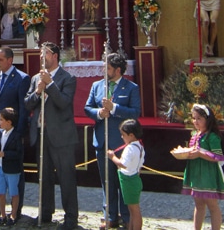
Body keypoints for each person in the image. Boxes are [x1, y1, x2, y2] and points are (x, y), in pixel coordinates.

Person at [24, 42, 79, 230]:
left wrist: (50, 84)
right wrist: (38, 90)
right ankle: (46, 212)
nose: (41, 57)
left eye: (44, 54)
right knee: (44, 177)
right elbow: (27, 104)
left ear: (54, 55)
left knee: (66, 178)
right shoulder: (35, 79)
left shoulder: (68, 78)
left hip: (62, 137)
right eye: (40, 54)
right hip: (41, 134)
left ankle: (71, 218)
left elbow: (64, 103)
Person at [84, 53, 142, 230]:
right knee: (107, 182)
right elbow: (87, 108)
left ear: (117, 70)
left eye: (107, 68)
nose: (104, 70)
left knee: (122, 181)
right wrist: (99, 113)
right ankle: (109, 215)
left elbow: (135, 113)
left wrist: (115, 108)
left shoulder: (131, 87)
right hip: (102, 141)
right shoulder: (97, 85)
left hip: (121, 144)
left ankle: (126, 216)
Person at [0, 47, 29, 220]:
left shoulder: (21, 78)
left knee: (15, 171)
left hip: (12, 133)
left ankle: (16, 209)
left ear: (10, 60)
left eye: (0, 59)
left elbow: (23, 108)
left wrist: (18, 133)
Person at [180, 103, 224, 230]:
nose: (195, 121)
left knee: (212, 205)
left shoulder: (212, 136)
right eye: (194, 118)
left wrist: (200, 154)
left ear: (208, 119)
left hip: (208, 174)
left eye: (199, 118)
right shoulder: (195, 135)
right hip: (196, 173)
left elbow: (218, 156)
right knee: (198, 204)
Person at [107, 119, 145, 230]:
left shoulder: (130, 149)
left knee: (134, 210)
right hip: (135, 179)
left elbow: (122, 164)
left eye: (123, 135)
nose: (122, 137)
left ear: (131, 135)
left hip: (129, 181)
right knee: (132, 210)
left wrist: (112, 156)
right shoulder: (140, 146)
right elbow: (140, 166)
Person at [0, 107, 24, 226]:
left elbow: (19, 153)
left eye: (1, 120)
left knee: (13, 193)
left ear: (9, 122)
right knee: (0, 192)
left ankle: (13, 215)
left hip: (12, 170)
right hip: (0, 168)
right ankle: (2, 214)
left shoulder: (16, 135)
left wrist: (5, 154)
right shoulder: (0, 133)